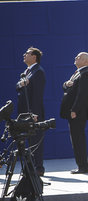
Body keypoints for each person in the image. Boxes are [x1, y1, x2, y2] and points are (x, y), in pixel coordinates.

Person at [60, 52, 88, 174]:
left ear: (85, 61)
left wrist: (74, 110)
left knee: (78, 139)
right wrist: (66, 84)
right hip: (73, 112)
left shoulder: (86, 74)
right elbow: (69, 87)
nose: (75, 58)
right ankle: (80, 165)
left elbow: (82, 95)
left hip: (78, 113)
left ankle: (83, 166)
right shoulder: (77, 73)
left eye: (78, 57)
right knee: (75, 139)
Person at [17, 47, 46, 176]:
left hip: (33, 113)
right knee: (28, 140)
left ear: (34, 57)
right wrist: (21, 84)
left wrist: (34, 113)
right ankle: (30, 167)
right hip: (24, 112)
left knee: (35, 140)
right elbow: (18, 86)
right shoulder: (28, 71)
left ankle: (38, 168)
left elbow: (37, 95)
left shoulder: (38, 71)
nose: (24, 55)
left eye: (27, 53)